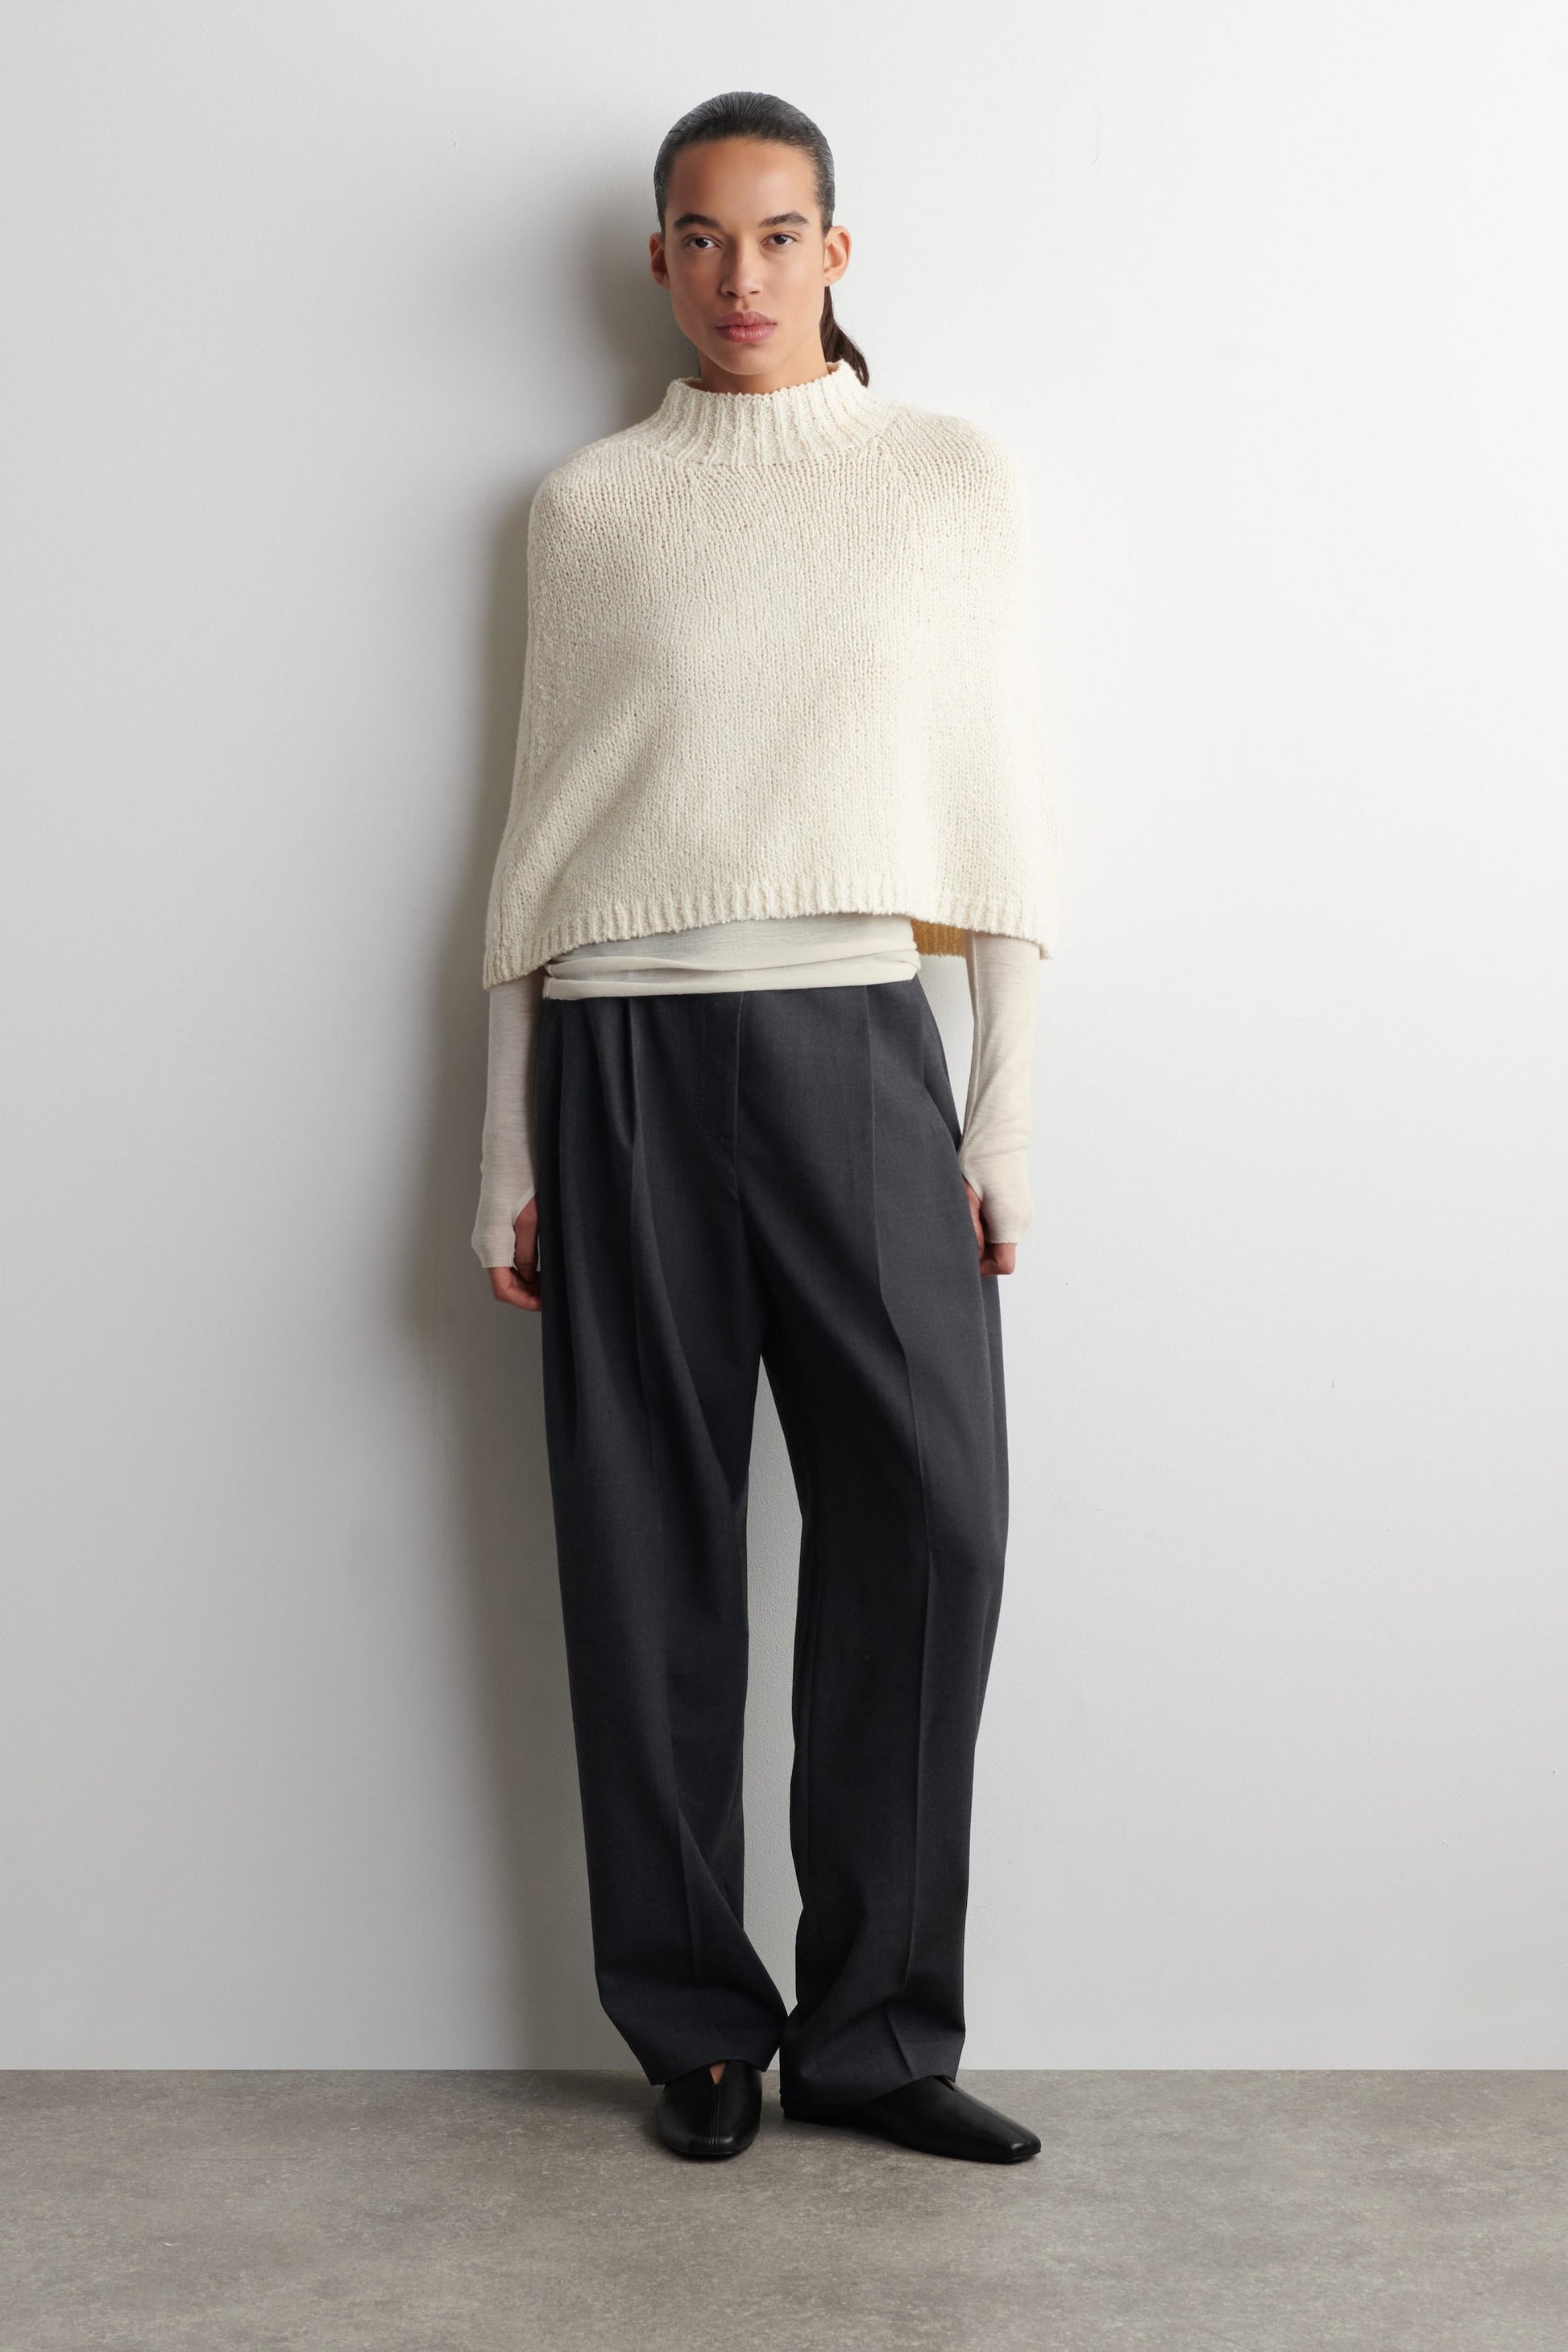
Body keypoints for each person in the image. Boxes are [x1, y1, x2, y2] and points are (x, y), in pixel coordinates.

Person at [473, 92, 1057, 2166]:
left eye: (780, 234)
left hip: (856, 1044)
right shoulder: (588, 507)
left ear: (836, 249)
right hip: (622, 1056)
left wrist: (997, 1113)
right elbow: (538, 833)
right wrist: (503, 1147)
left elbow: (992, 809)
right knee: (646, 1542)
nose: (742, 275)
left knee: (933, 1520)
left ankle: (877, 2034)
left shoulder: (942, 478)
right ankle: (696, 2027)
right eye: (704, 239)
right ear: (659, 259)